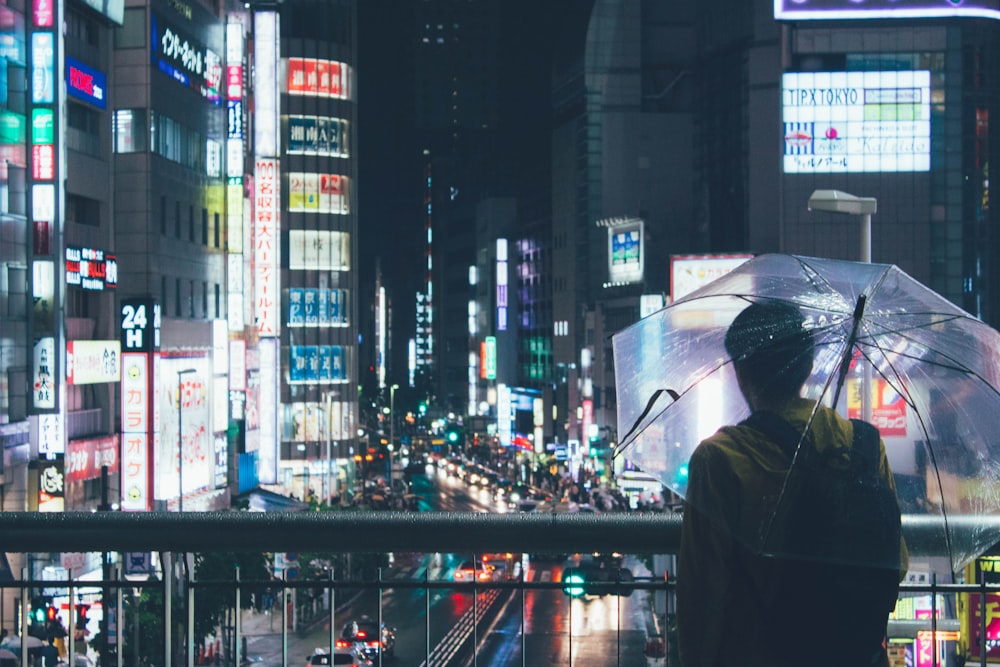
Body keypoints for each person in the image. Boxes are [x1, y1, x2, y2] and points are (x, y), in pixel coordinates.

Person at [676, 300, 908, 667]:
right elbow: (898, 562)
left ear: (740, 371)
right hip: (853, 655)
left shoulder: (719, 459)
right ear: (808, 365)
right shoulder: (863, 446)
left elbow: (703, 594)